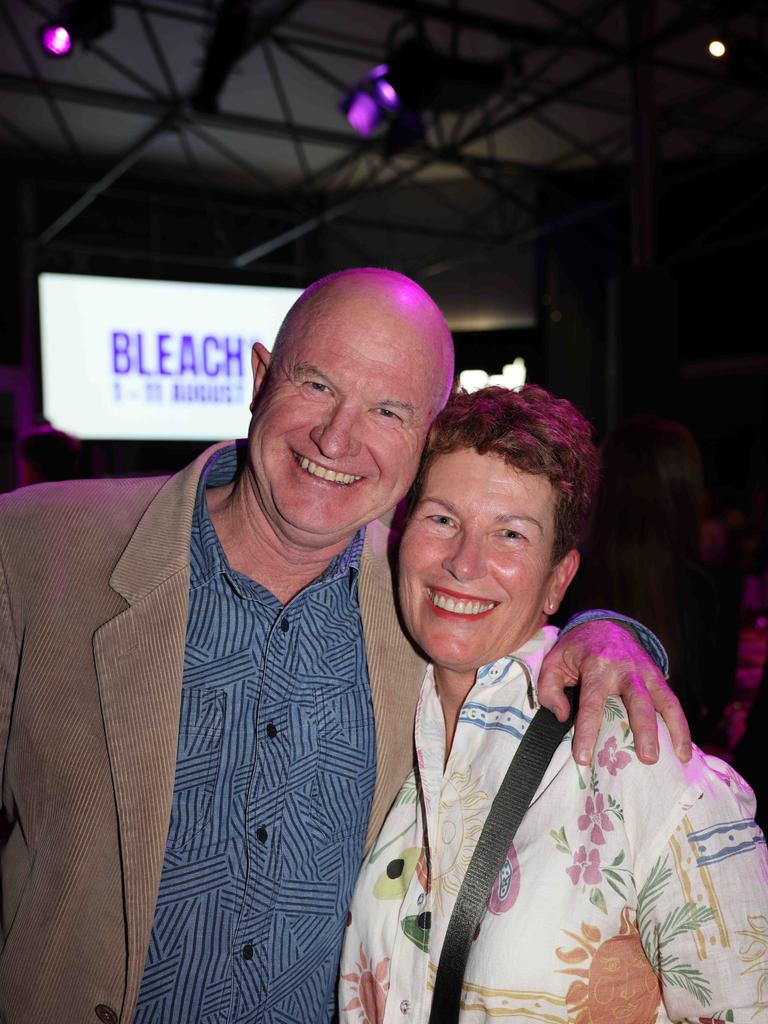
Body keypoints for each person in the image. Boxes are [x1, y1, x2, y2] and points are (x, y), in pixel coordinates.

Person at [0, 269, 688, 1024]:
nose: (336, 438)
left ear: (426, 441)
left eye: (387, 410)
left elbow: (528, 628)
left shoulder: (426, 603)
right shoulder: (36, 551)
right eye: (316, 384)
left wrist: (612, 631)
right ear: (261, 378)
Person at [341, 385, 765, 1022]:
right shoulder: (394, 719)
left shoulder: (634, 759)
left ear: (558, 579)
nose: (463, 561)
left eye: (510, 534)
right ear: (402, 534)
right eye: (442, 518)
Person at [573, 416, 739, 743]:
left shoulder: (568, 575)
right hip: (676, 756)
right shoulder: (707, 586)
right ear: (685, 492)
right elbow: (715, 701)